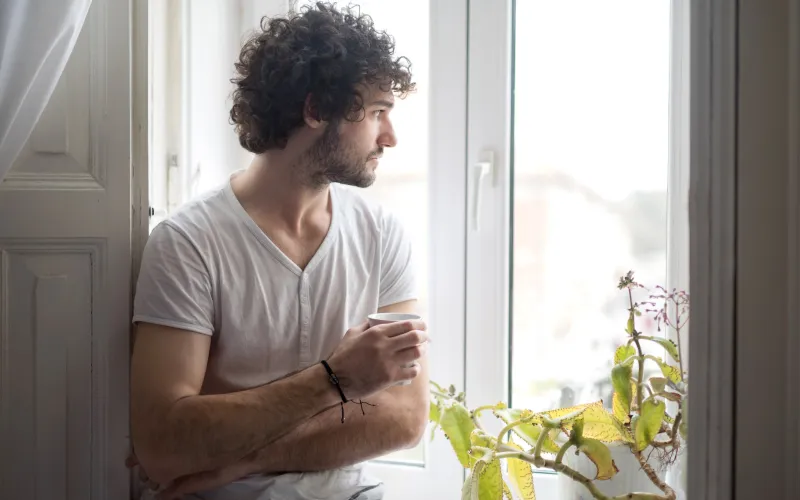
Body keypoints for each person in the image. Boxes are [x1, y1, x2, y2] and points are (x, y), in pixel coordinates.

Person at [128, 3, 430, 499]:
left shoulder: (382, 234)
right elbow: (163, 443)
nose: (390, 137)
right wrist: (335, 381)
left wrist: (242, 456)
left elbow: (404, 418)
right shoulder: (187, 243)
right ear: (315, 111)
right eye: (376, 112)